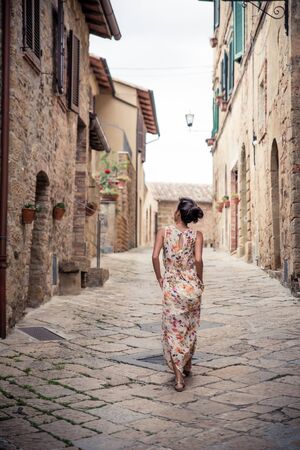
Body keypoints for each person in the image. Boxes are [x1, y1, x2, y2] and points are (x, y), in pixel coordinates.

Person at [152, 197, 204, 392]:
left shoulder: (163, 232)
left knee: (173, 331)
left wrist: (160, 278)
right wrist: (200, 281)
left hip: (172, 286)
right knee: (189, 328)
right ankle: (187, 364)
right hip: (191, 286)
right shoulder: (197, 235)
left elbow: (155, 256)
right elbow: (198, 260)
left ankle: (179, 378)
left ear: (177, 213)